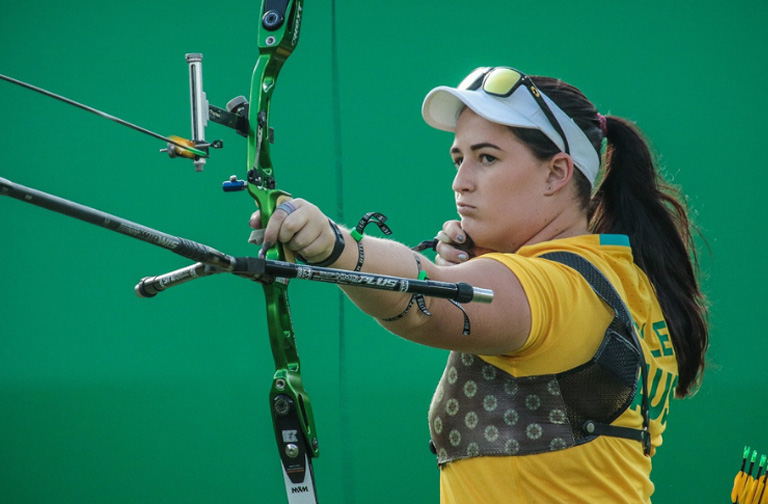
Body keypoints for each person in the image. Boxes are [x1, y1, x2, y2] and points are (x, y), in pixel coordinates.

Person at [251, 66, 709, 503]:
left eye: (487, 158)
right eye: (458, 158)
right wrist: (488, 261)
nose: (460, 182)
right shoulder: (622, 276)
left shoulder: (558, 286)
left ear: (556, 173)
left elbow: (427, 302)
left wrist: (333, 245)